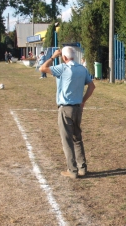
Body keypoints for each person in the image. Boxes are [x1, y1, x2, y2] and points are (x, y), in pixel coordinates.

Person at [40, 46, 95, 179]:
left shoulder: (63, 68)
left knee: (67, 140)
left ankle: (72, 170)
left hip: (65, 108)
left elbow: (42, 68)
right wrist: (83, 101)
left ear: (64, 57)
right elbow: (92, 86)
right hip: (77, 108)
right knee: (77, 138)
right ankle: (82, 167)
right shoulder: (82, 68)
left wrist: (53, 57)